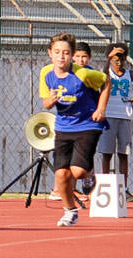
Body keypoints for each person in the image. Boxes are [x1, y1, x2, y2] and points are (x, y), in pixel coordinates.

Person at [39, 32, 109, 227]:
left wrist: (101, 108)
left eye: (66, 53)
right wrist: (50, 101)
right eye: (57, 52)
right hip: (64, 127)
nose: (61, 57)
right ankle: (70, 211)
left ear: (72, 55)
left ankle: (89, 174)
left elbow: (106, 82)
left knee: (76, 172)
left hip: (88, 124)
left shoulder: (83, 73)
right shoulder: (46, 73)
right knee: (61, 174)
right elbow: (45, 103)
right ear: (50, 53)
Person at [96, 42, 133, 201]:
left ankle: (124, 188)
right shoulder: (105, 73)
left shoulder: (130, 74)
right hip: (108, 115)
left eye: (122, 56)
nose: (119, 60)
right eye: (116, 56)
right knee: (106, 153)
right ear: (109, 57)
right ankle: (104, 187)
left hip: (124, 116)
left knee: (124, 153)